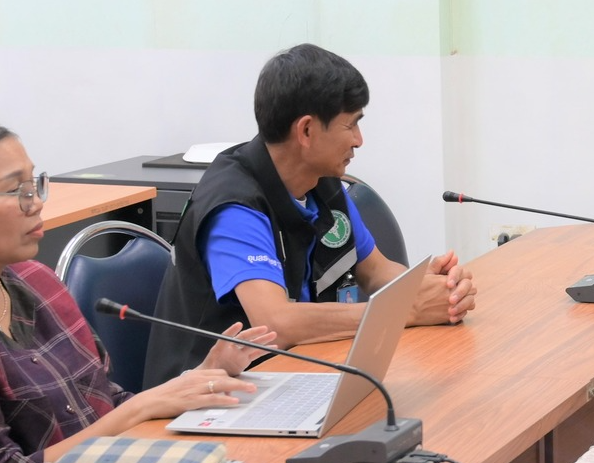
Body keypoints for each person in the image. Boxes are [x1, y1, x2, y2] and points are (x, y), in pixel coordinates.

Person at [0, 115, 273, 463]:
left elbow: (105, 403)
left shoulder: (36, 282)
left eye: (35, 184)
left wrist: (201, 377)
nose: (37, 203)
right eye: (15, 191)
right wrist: (143, 407)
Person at [144, 44, 474, 388]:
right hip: (202, 399)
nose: (359, 141)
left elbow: (376, 270)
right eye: (351, 125)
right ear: (306, 131)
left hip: (287, 378)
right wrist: (407, 310)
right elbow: (276, 324)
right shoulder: (234, 205)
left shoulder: (322, 183)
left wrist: (433, 289)